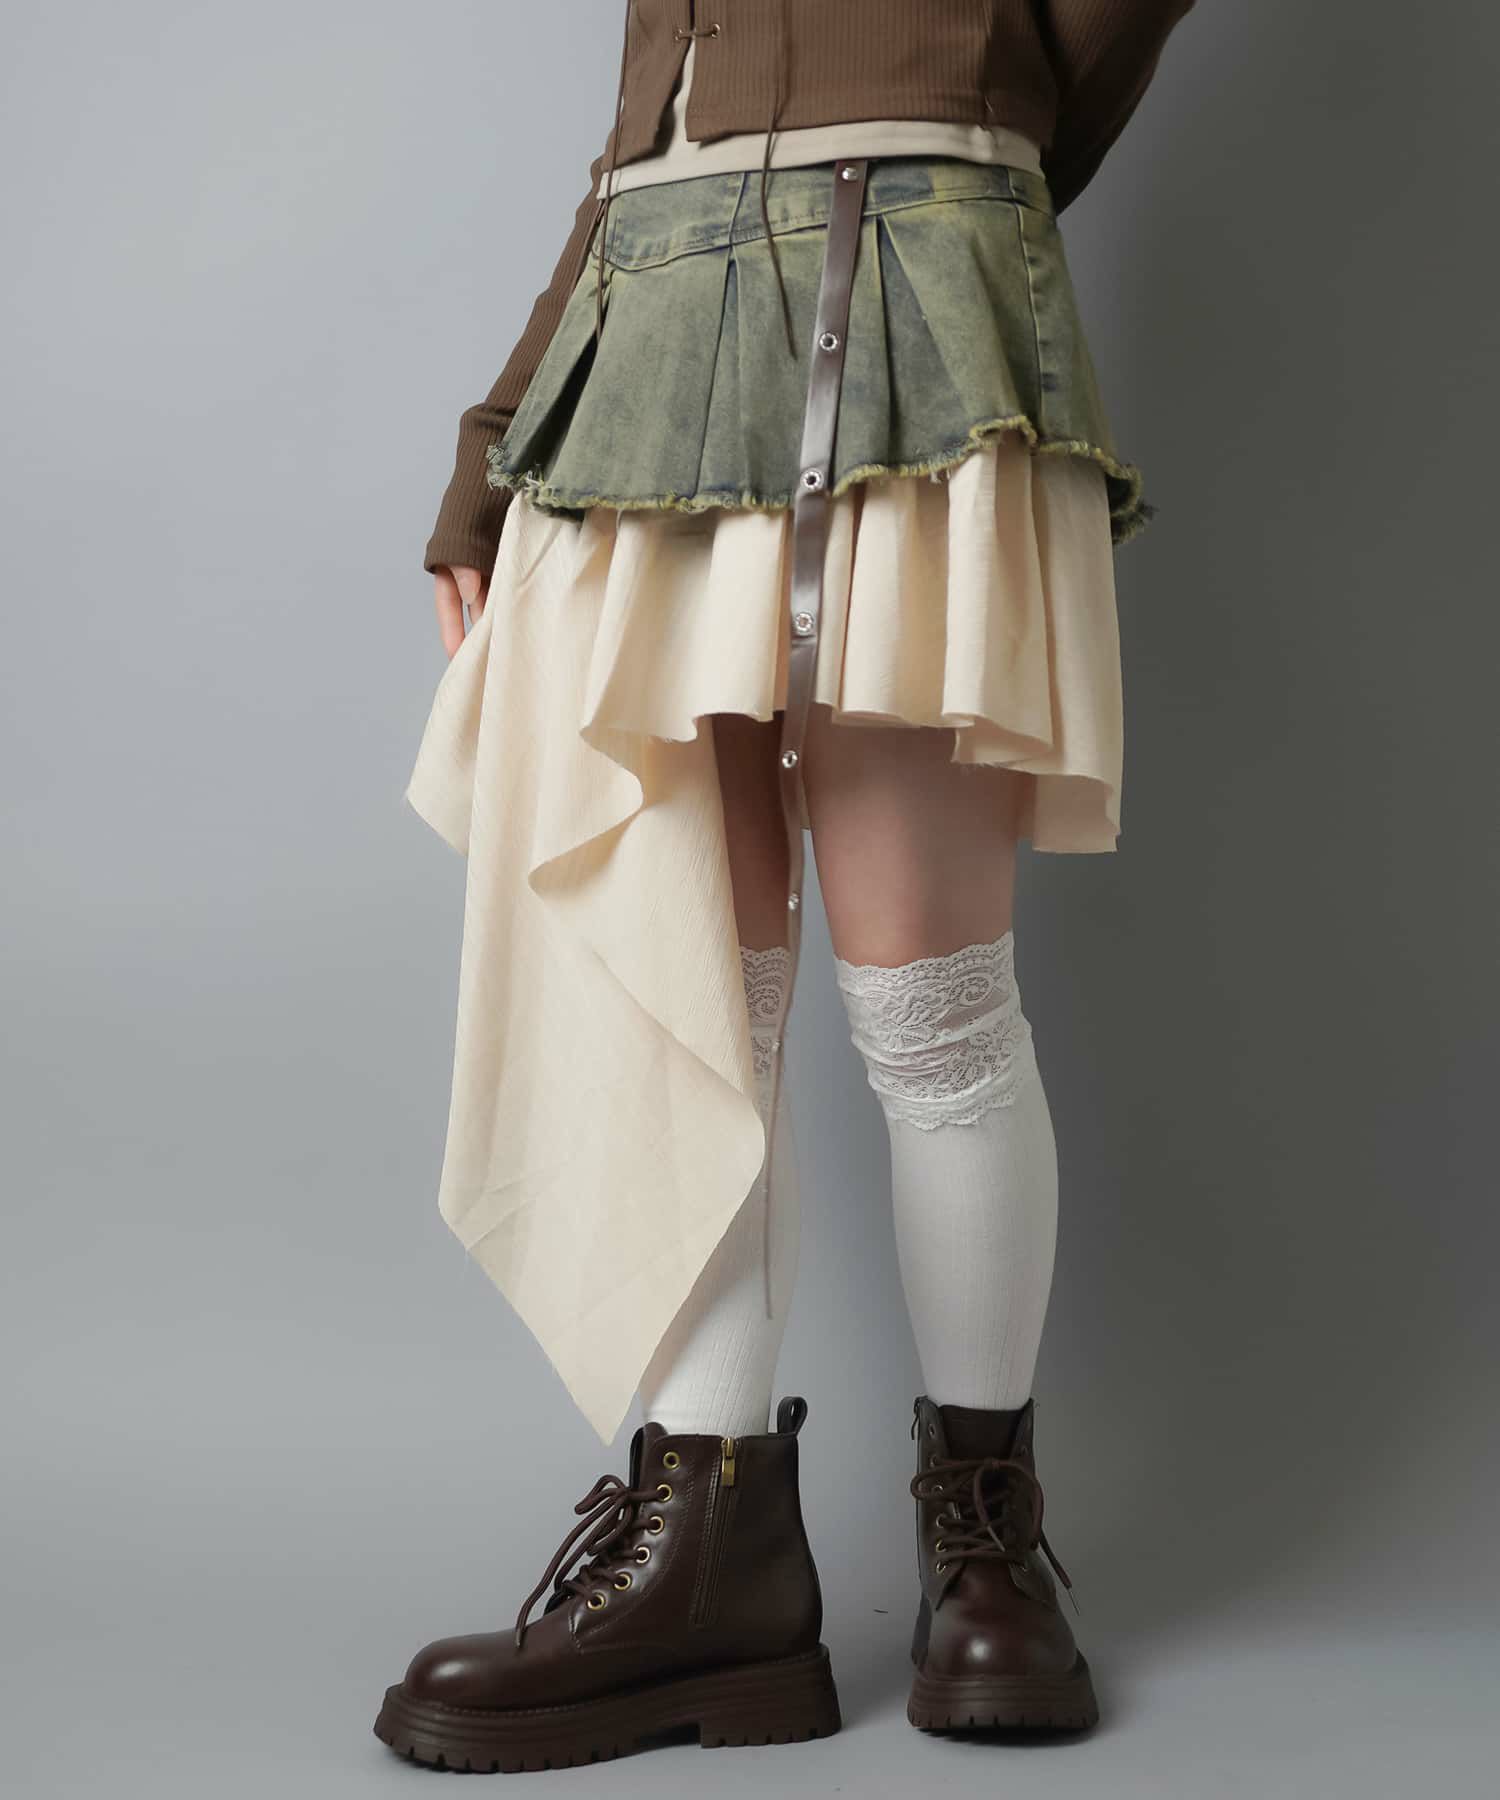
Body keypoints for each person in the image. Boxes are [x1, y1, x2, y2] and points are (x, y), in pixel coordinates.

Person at [375, 0, 1196, 1773]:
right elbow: (647, 122)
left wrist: (965, 125)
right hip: (656, 313)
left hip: (913, 276)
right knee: (697, 976)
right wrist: (503, 428)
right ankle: (713, 1555)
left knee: (933, 1001)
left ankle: (986, 1543)